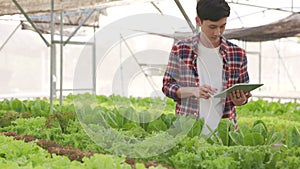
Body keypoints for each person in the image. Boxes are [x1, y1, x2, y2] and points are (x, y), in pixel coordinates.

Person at [162, 0, 251, 133]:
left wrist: (240, 100)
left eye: (222, 26)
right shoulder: (181, 50)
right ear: (198, 21)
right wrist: (193, 91)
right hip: (188, 130)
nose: (218, 32)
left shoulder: (237, 54)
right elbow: (167, 86)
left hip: (225, 132)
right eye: (212, 27)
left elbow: (244, 93)